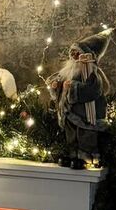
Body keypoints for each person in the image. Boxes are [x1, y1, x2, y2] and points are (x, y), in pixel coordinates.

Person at [47, 29, 112, 168]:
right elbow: (60, 82)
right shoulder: (68, 71)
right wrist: (56, 86)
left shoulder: (92, 73)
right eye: (73, 53)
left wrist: (72, 87)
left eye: (78, 53)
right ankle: (72, 155)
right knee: (71, 135)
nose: (75, 56)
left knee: (85, 135)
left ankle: (86, 157)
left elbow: (92, 90)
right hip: (69, 113)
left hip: (85, 114)